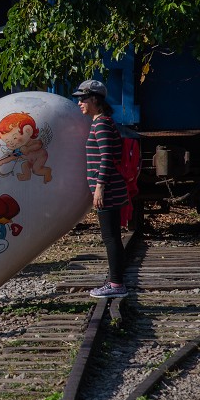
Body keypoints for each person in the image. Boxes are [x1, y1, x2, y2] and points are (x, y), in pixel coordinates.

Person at [73, 79, 130, 298]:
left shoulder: (102, 124)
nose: (79, 103)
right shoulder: (101, 122)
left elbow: (106, 157)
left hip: (109, 189)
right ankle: (116, 280)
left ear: (94, 99)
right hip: (110, 188)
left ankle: (116, 285)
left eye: (82, 98)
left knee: (110, 237)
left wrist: (100, 187)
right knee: (112, 236)